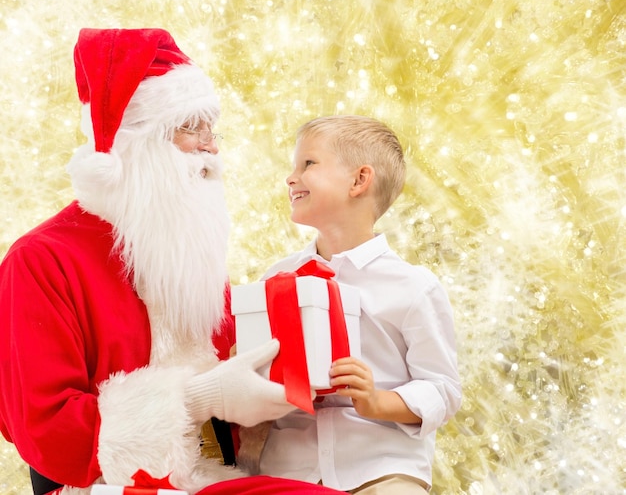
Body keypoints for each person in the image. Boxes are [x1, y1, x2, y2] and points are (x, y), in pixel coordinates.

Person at [0, 28, 345, 495]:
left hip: (218, 475)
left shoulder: (187, 254)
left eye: (212, 128)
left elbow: (234, 385)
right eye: (191, 127)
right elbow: (47, 435)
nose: (212, 147)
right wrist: (200, 398)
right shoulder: (41, 260)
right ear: (136, 141)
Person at [242, 115, 462, 494]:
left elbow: (442, 389)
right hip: (289, 471)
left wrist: (377, 401)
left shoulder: (413, 287)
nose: (290, 177)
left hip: (381, 470)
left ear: (359, 180)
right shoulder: (276, 279)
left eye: (307, 164)